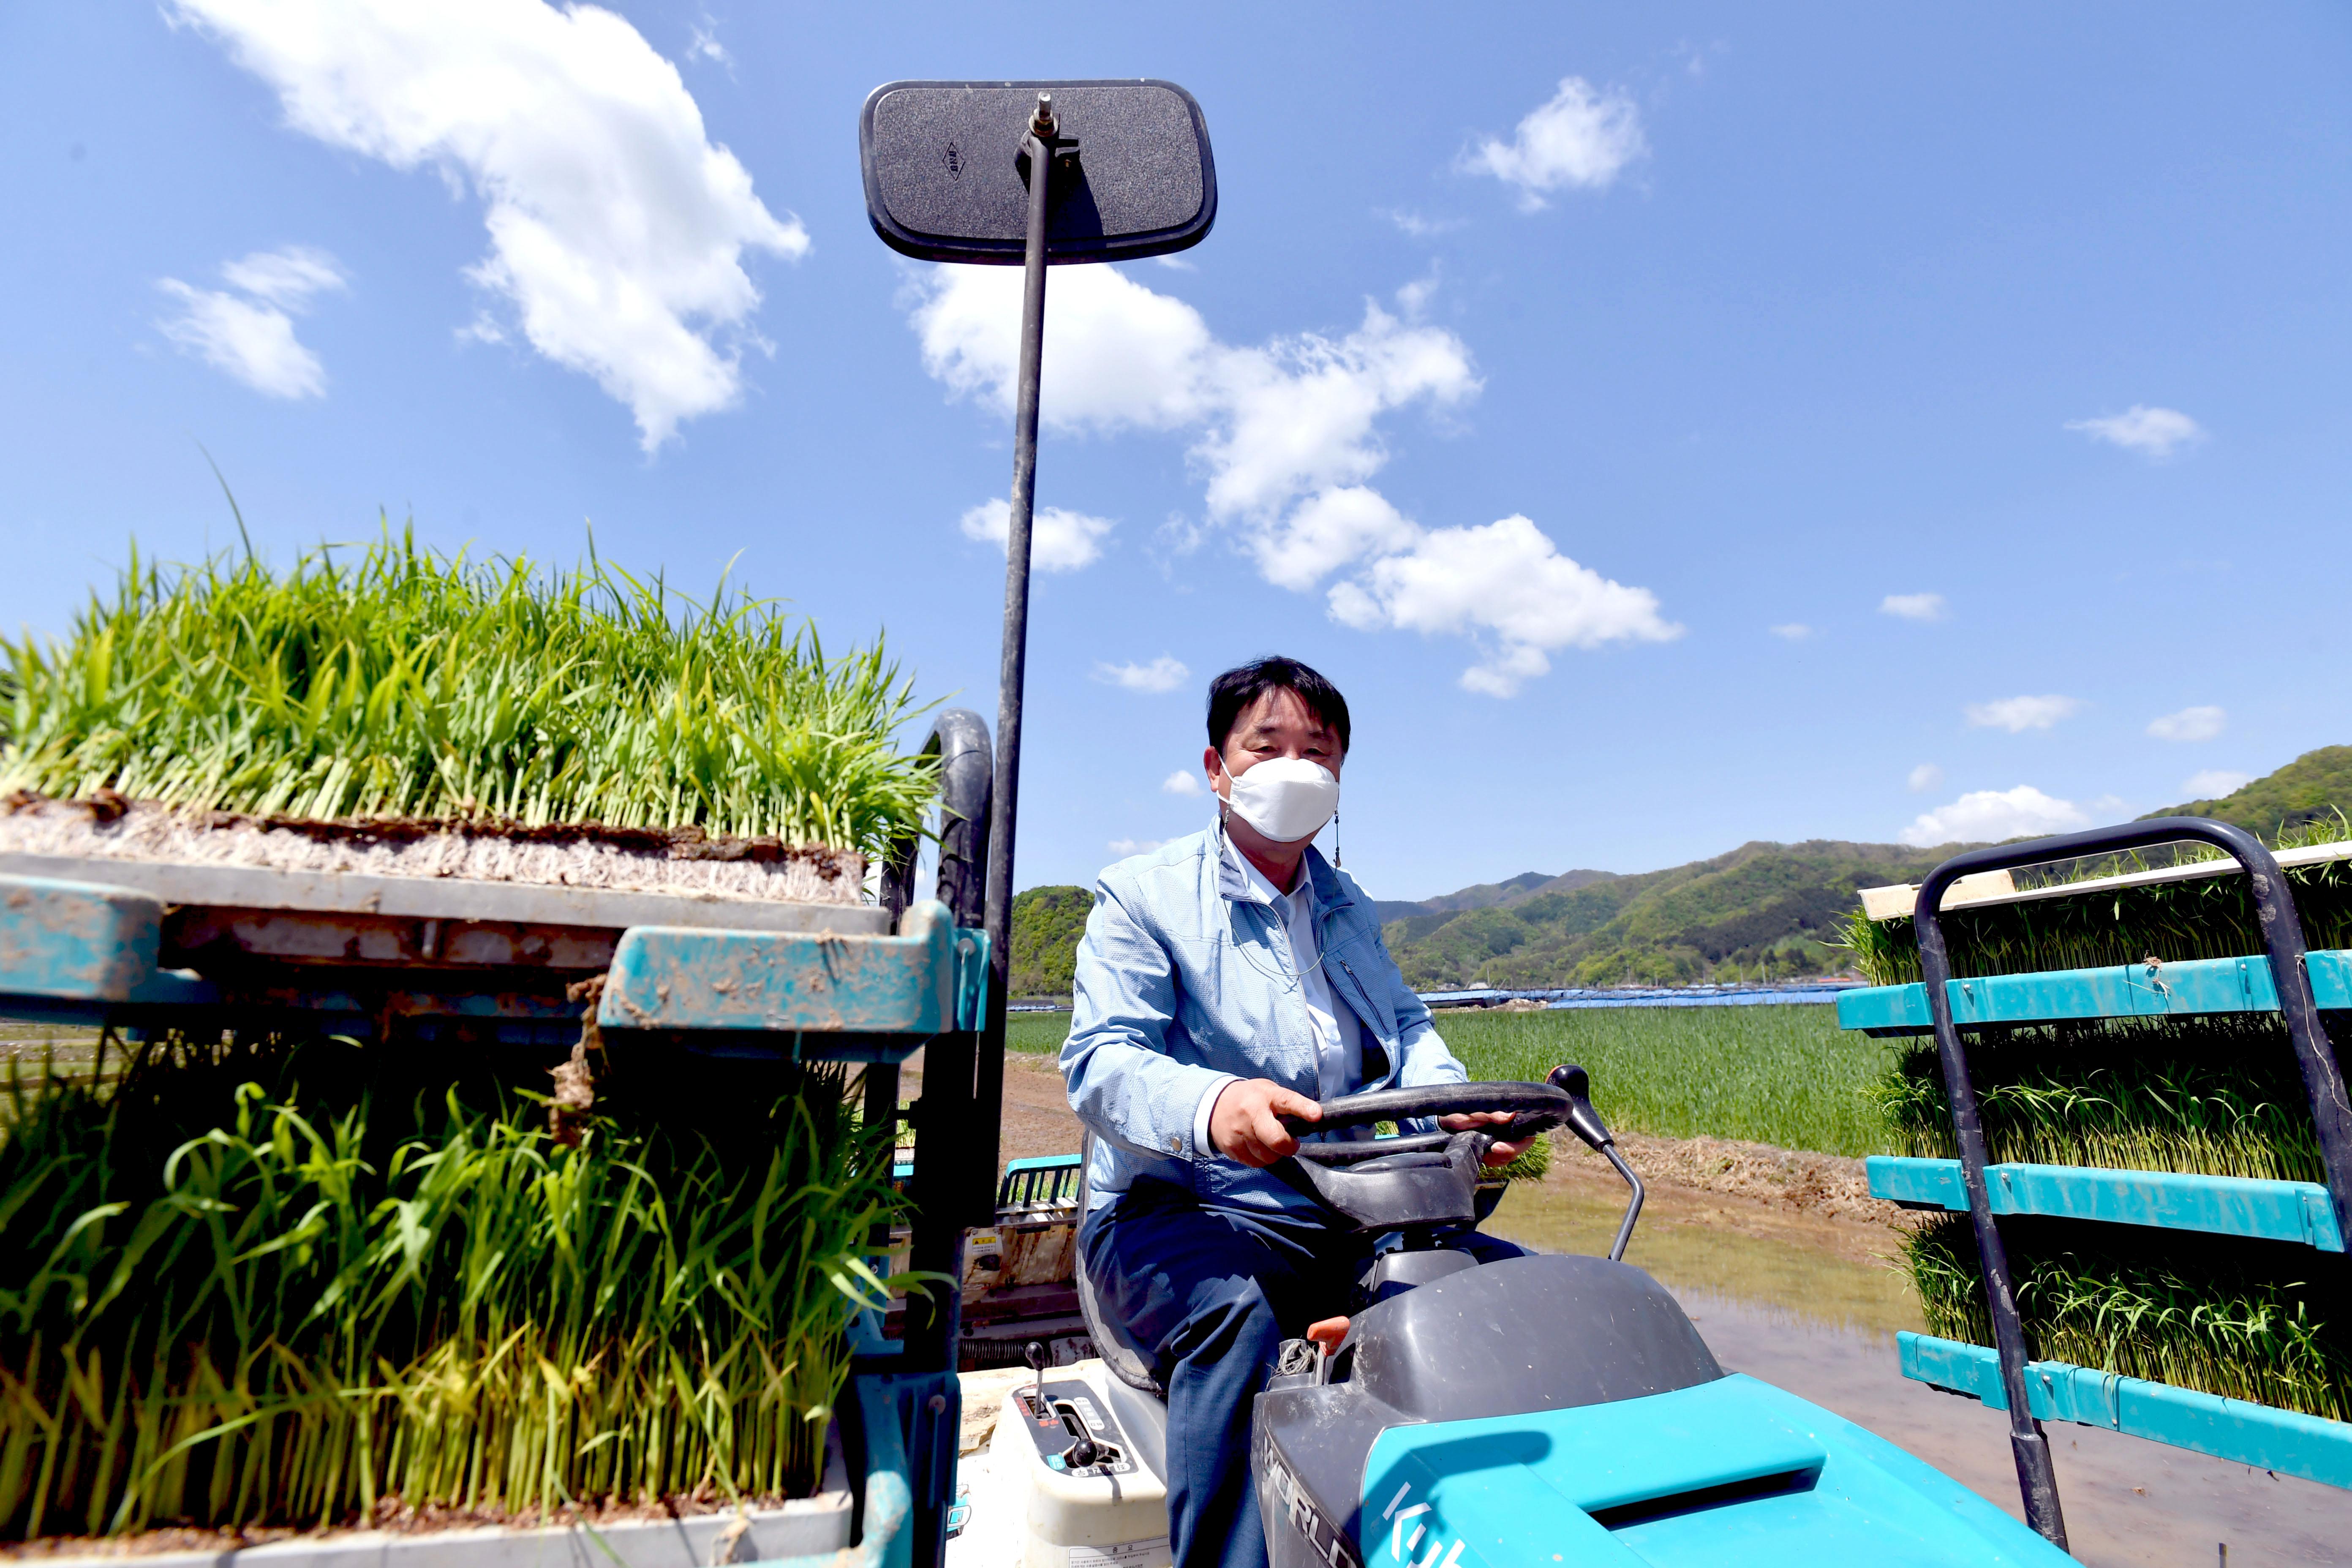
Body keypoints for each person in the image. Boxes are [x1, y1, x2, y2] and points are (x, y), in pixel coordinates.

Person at [1063, 656, 1533, 1568]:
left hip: (1334, 1210)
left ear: (1340, 776)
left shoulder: (1346, 904)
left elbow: (1406, 1027)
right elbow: (1100, 1063)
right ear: (1216, 768)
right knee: (1236, 1320)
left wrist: (1454, 1109)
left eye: (1317, 750)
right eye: (1266, 744)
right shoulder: (1143, 896)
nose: (1295, 766)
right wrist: (1215, 1102)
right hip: (1172, 1217)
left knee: (1512, 1295)